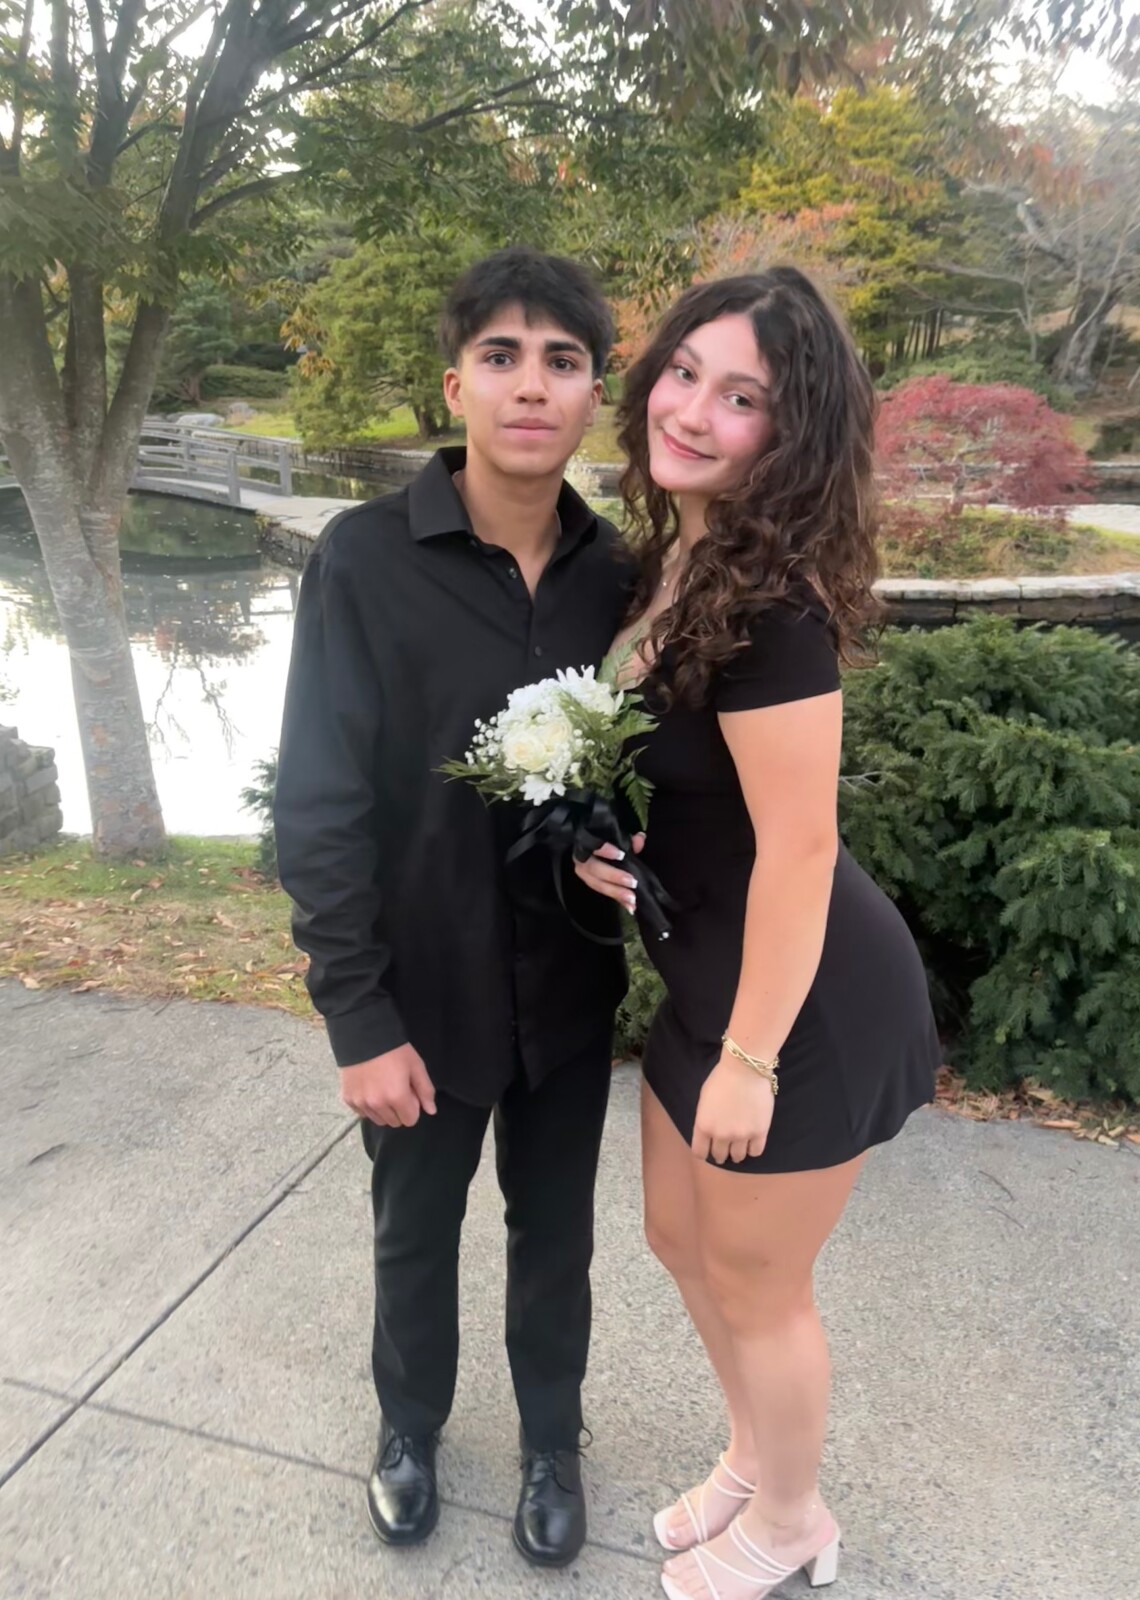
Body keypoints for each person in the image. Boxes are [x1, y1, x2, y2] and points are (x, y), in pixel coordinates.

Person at [575, 267, 940, 1599]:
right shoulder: (674, 560)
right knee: (683, 1243)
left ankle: (793, 1521)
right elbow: (691, 788)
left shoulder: (774, 610)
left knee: (759, 1281)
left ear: (789, 438)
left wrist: (752, 1057)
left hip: (798, 1011)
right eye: (684, 372)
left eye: (741, 398)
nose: (692, 410)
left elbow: (798, 850)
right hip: (709, 982)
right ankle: (753, 1457)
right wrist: (611, 843)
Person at [274, 247, 633, 1568]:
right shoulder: (365, 561)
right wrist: (358, 1018)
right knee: (414, 1235)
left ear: (594, 394)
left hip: (570, 985)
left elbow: (643, 769)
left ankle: (551, 1440)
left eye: (562, 360)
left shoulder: (619, 577)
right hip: (421, 991)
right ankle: (409, 1428)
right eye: (501, 356)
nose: (531, 385)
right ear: (455, 386)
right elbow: (318, 800)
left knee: (557, 1238)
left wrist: (626, 838)